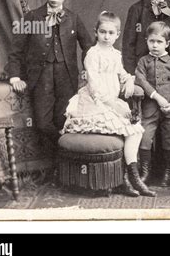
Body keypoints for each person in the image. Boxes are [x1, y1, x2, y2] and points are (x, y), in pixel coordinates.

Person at [61, 11, 156, 197]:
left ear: (117, 35)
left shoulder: (115, 54)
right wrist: (113, 104)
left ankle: (131, 177)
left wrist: (129, 81)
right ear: (95, 32)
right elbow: (94, 86)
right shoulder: (92, 54)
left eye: (111, 33)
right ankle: (128, 180)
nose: (106, 37)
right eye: (103, 32)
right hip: (94, 103)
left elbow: (122, 73)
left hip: (111, 101)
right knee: (132, 128)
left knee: (137, 130)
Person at [7, 0, 95, 167]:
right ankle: (69, 156)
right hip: (41, 77)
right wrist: (15, 77)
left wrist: (90, 69)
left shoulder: (73, 18)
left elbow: (88, 46)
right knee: (43, 122)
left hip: (67, 76)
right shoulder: (32, 18)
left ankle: (60, 169)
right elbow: (16, 50)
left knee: (63, 120)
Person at [135, 22, 170, 186]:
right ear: (146, 41)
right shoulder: (143, 62)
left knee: (169, 140)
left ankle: (167, 173)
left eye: (159, 42)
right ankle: (145, 172)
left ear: (167, 43)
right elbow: (140, 79)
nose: (155, 45)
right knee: (144, 138)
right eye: (152, 41)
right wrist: (156, 96)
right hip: (149, 109)